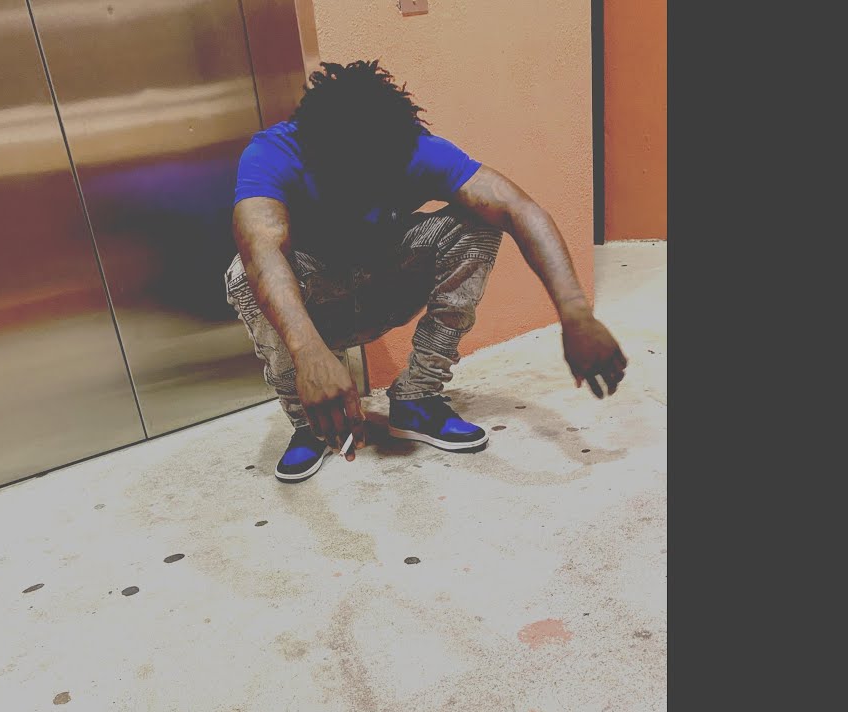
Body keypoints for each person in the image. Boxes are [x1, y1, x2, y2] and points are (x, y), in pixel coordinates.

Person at [225, 60, 627, 482]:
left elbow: (519, 209)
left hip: (383, 287)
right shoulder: (273, 153)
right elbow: (261, 249)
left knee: (479, 223)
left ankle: (417, 397)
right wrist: (309, 354)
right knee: (245, 274)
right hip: (316, 305)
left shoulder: (413, 148)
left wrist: (575, 312)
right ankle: (314, 421)